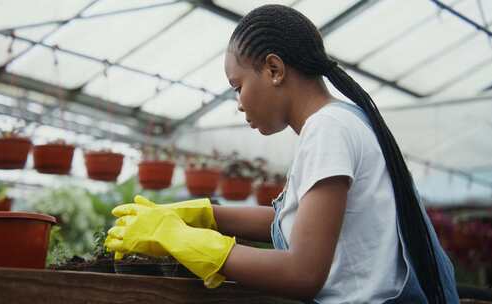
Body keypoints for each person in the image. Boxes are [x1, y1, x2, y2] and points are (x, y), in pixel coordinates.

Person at [105, 5, 459, 303]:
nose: (239, 103)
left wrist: (187, 240)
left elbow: (303, 273)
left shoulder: (328, 129)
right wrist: (202, 215)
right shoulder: (342, 120)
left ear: (274, 70)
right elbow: (294, 224)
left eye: (238, 87)